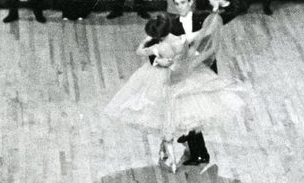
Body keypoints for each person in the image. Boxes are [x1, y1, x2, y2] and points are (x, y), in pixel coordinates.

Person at [104, 11, 244, 171]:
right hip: (181, 76)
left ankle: (171, 155)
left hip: (162, 79)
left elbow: (139, 51)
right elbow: (194, 41)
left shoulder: (158, 47)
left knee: (164, 113)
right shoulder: (181, 39)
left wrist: (146, 42)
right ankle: (180, 147)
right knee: (185, 111)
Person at [169, 0, 238, 165]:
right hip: (186, 72)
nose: (180, 7)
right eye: (177, 4)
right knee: (190, 110)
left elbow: (232, 13)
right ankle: (191, 138)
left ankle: (200, 154)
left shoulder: (203, 18)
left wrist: (223, 2)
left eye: (183, 2)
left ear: (190, 3)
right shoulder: (173, 24)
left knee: (195, 113)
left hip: (203, 71)